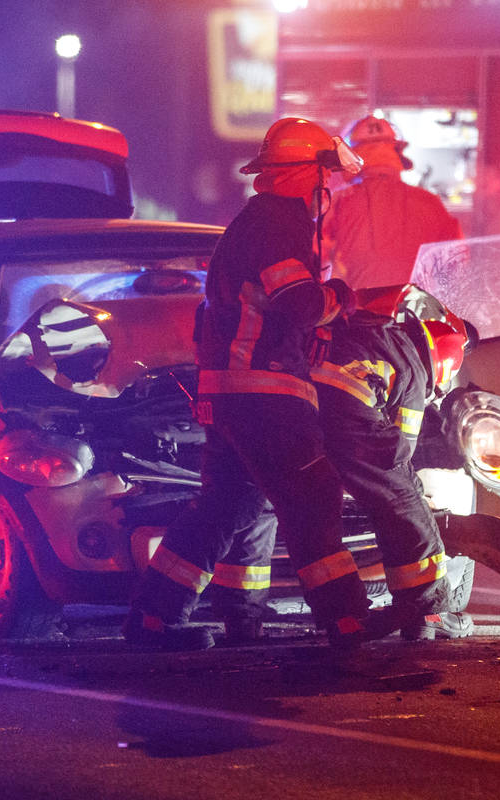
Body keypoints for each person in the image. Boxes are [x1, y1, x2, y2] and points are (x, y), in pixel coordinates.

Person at [124, 117, 392, 650]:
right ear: (307, 177)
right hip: (265, 391)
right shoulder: (278, 223)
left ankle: (154, 618)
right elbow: (297, 303)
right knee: (311, 496)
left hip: (229, 389)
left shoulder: (254, 221)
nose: (330, 191)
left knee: (226, 506)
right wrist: (343, 297)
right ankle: (347, 620)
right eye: (327, 180)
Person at [312, 284, 476, 640]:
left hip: (302, 413)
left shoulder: (374, 336)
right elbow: (400, 450)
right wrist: (412, 489)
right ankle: (429, 615)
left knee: (313, 515)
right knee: (403, 501)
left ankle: (344, 619)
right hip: (350, 415)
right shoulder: (414, 368)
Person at [321, 115, 463, 290]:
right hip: (414, 312)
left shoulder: (337, 202)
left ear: (349, 157)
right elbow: (457, 264)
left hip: (356, 312)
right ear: (395, 151)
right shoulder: (430, 202)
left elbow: (316, 257)